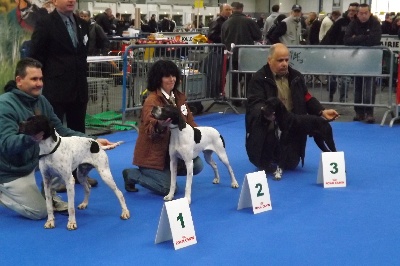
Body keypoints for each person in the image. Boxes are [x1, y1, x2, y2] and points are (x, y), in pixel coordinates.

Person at [0, 58, 115, 220]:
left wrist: (92, 141)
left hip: (34, 160)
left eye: (41, 79)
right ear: (19, 80)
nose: (39, 84)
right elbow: (5, 145)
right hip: (10, 170)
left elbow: (61, 130)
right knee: (39, 212)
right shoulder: (4, 105)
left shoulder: (41, 101)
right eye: (34, 79)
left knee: (64, 165)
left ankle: (47, 193)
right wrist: (31, 139)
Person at [30, 0, 98, 187]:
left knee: (78, 133)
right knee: (53, 135)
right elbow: (35, 54)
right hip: (56, 88)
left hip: (79, 87)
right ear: (54, 1)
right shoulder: (45, 23)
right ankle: (56, 177)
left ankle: (79, 174)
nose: (71, 1)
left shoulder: (83, 24)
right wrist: (41, 80)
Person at [245, 43, 339, 174]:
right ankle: (264, 154)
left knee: (291, 164)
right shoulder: (259, 78)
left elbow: (307, 97)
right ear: (269, 60)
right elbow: (254, 103)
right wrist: (266, 114)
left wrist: (321, 111)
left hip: (291, 123)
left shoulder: (296, 76)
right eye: (280, 60)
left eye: (286, 60)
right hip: (268, 124)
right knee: (265, 163)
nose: (284, 64)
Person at [122, 60, 204, 196]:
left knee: (197, 165)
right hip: (153, 157)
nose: (172, 79)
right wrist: (160, 126)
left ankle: (166, 173)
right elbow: (148, 129)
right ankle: (131, 174)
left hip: (173, 151)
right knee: (166, 189)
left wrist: (199, 139)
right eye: (167, 76)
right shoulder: (151, 101)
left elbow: (190, 123)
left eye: (173, 75)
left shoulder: (179, 97)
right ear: (158, 79)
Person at [344, 3, 382, 123]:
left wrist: (357, 38)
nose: (363, 15)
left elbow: (375, 39)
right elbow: (346, 40)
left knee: (370, 86)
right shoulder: (353, 23)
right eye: (361, 13)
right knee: (358, 86)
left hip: (371, 60)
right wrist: (365, 37)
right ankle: (359, 112)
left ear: (369, 13)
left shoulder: (375, 23)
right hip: (357, 60)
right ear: (357, 13)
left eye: (366, 13)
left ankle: (369, 112)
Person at [221, 1, 262, 106]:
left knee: (234, 77)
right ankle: (248, 98)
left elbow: (223, 38)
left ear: (232, 9)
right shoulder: (249, 22)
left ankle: (235, 99)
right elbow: (258, 36)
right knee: (248, 77)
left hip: (232, 53)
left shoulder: (226, 23)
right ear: (242, 9)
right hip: (247, 54)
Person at [322, 2, 359, 102]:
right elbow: (330, 35)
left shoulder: (358, 23)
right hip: (335, 53)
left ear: (357, 11)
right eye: (350, 10)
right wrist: (325, 48)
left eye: (354, 11)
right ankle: (331, 93)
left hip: (349, 54)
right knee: (332, 78)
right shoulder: (340, 22)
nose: (351, 12)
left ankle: (343, 98)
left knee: (345, 78)